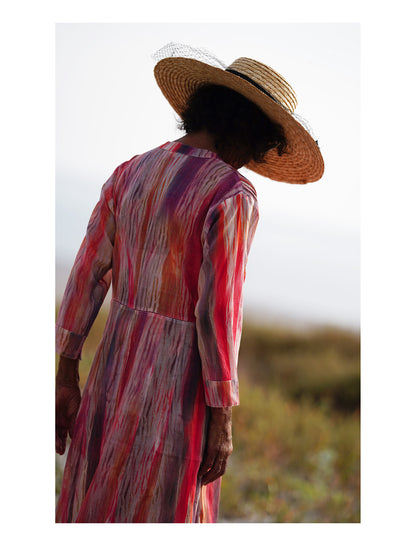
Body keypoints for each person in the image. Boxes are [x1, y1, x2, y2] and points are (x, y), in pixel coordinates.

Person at [55, 43, 324, 523]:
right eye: (260, 146)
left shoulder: (132, 170)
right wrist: (222, 415)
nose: (251, 160)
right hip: (176, 389)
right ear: (248, 132)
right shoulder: (232, 194)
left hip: (112, 371)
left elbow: (86, 274)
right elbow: (218, 311)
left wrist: (66, 371)